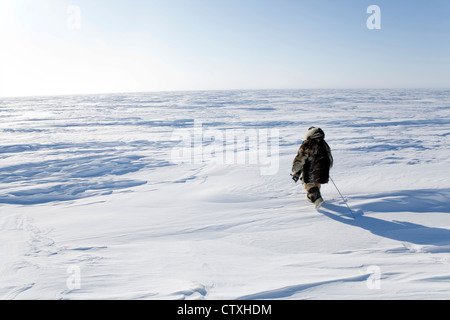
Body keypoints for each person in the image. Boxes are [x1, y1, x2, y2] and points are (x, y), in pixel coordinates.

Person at [291, 127, 333, 207]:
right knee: (316, 184)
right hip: (323, 169)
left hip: (310, 169)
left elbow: (301, 158)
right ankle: (315, 198)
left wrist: (296, 169)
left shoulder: (308, 143)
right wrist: (327, 168)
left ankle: (317, 199)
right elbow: (329, 157)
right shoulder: (324, 143)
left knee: (309, 185)